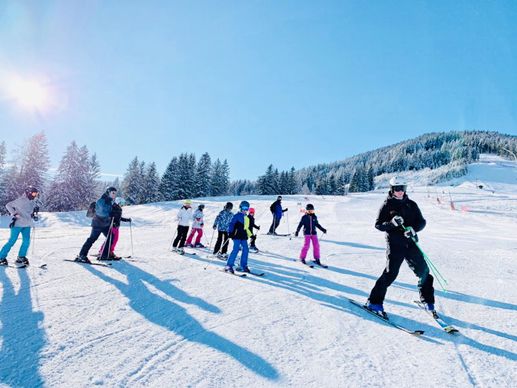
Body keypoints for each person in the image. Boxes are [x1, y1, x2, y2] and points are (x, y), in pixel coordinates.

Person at [366, 177, 435, 317]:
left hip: (411, 242)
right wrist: (392, 224)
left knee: (424, 271)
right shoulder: (386, 205)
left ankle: (426, 300)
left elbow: (422, 222)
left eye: (402, 188)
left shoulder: (411, 204)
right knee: (390, 273)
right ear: (392, 189)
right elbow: (378, 225)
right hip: (395, 244)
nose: (400, 192)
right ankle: (373, 302)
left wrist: (414, 229)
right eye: (397, 189)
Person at [0, 186, 40, 267]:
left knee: (26, 241)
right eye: (33, 193)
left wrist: (34, 215)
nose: (35, 195)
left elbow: (29, 212)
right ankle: (1, 257)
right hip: (17, 224)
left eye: (36, 194)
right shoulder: (20, 200)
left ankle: (21, 257)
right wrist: (14, 213)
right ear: (29, 192)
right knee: (12, 241)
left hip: (27, 225)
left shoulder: (32, 202)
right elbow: (8, 205)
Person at [76, 186, 117, 263]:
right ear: (108, 192)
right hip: (97, 225)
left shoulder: (110, 201)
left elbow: (110, 212)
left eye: (115, 193)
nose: (114, 195)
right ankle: (82, 255)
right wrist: (111, 213)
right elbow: (101, 213)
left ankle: (104, 254)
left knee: (111, 237)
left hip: (105, 225)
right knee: (92, 239)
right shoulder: (101, 201)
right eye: (113, 193)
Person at [225, 200, 252, 274]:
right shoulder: (236, 216)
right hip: (236, 235)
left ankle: (243, 265)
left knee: (246, 249)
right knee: (236, 249)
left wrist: (251, 235)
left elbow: (246, 228)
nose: (245, 210)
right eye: (244, 208)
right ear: (240, 208)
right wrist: (230, 232)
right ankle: (229, 265)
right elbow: (231, 224)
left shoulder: (247, 218)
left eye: (247, 209)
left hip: (243, 236)